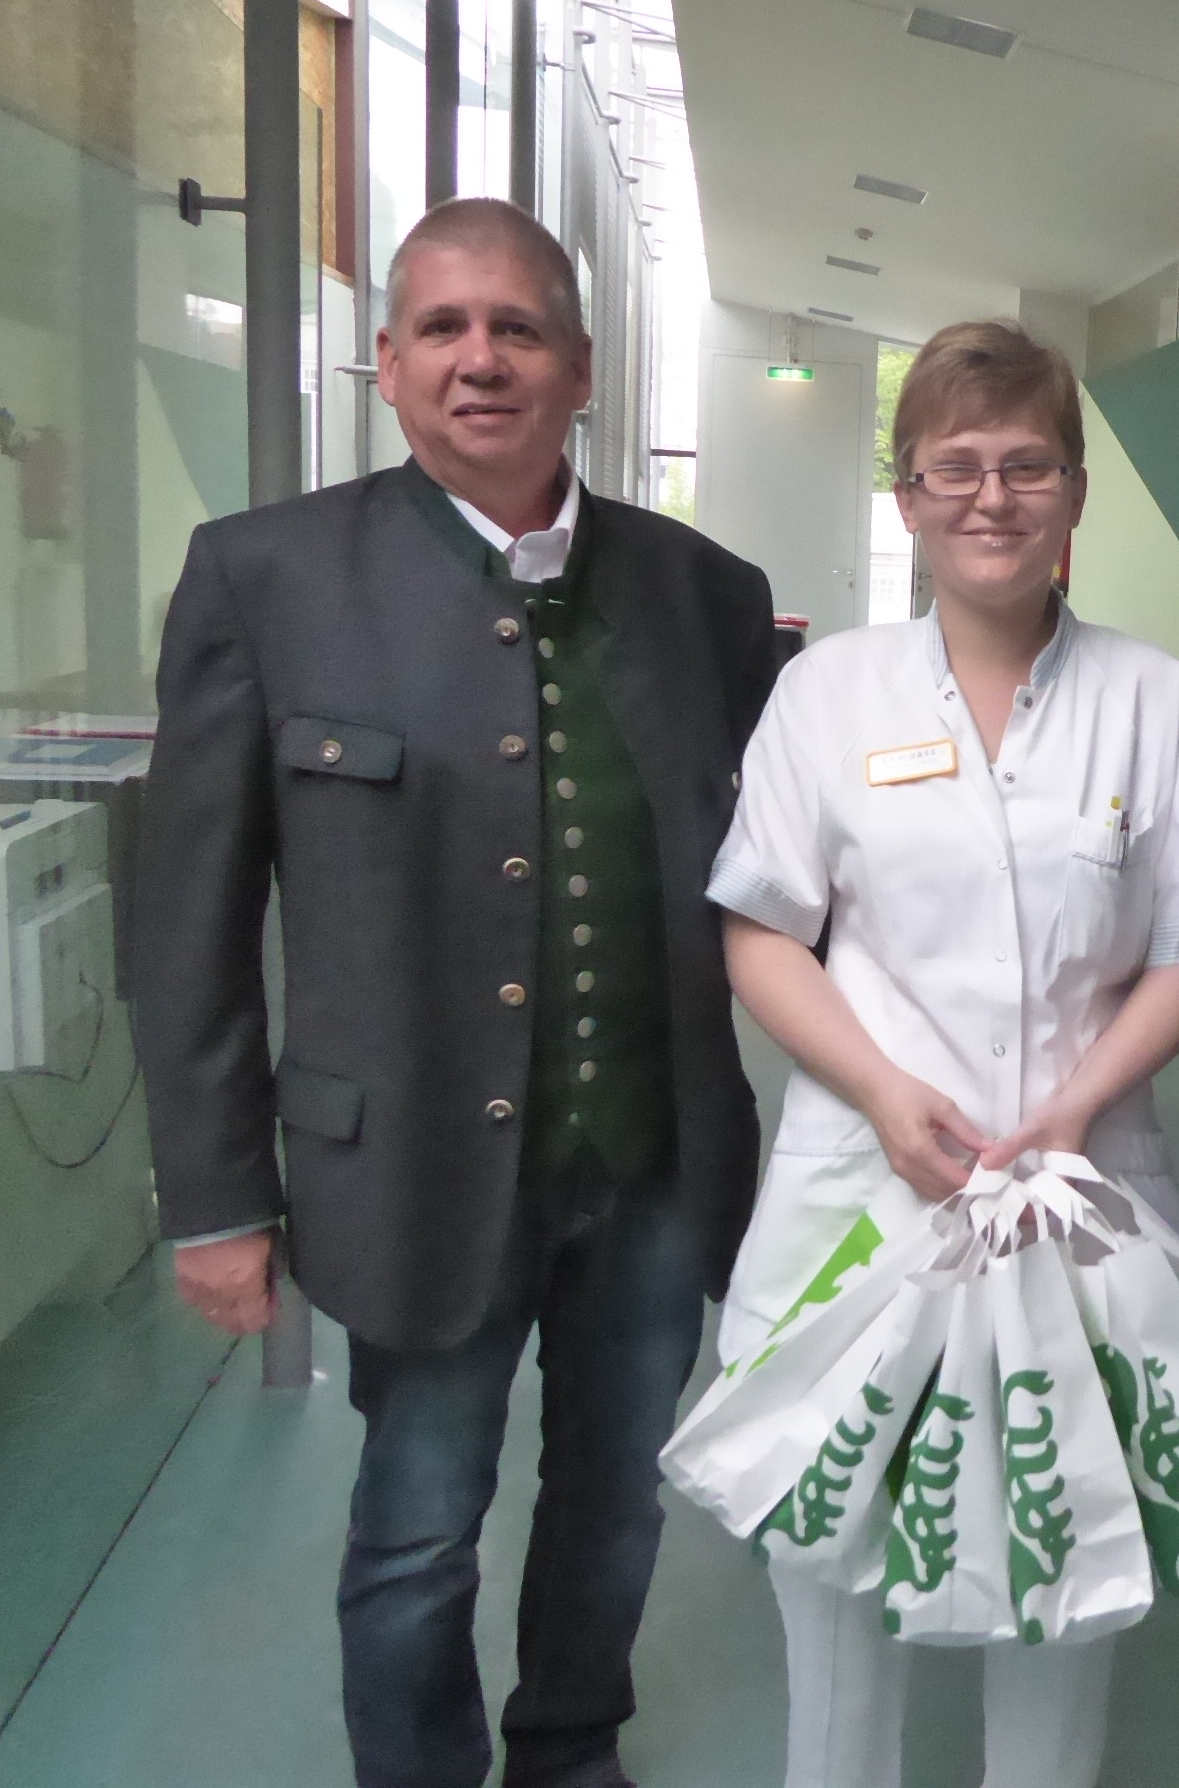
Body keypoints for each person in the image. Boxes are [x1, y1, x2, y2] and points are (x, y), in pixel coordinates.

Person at [135, 197, 780, 1788]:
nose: (479, 359)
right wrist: (215, 1196)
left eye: (518, 328)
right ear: (388, 363)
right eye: (443, 327)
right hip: (409, 1168)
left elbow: (802, 868)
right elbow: (191, 916)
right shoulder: (267, 577)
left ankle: (570, 1751)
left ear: (580, 367)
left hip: (652, 1163)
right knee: (419, 1528)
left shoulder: (705, 593)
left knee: (616, 1497)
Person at [708, 320, 1179, 1788]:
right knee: (830, 1566)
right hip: (864, 1197)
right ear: (907, 495)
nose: (992, 498)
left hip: (1084, 1200)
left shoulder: (1148, 696)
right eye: (955, 467)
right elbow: (762, 929)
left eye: (1027, 465)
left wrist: (1077, 1106)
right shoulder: (828, 696)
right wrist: (885, 1094)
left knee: (1069, 1572)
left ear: (1075, 491)